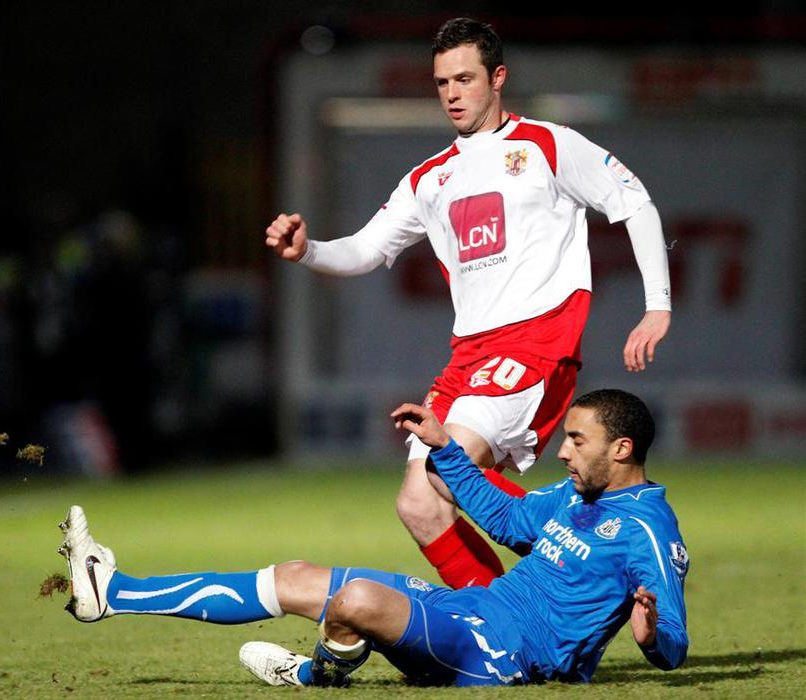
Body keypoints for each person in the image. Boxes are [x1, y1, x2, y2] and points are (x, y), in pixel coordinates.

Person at [265, 18, 673, 591]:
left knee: (446, 467)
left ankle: (594, 543)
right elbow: (363, 249)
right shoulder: (429, 178)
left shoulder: (547, 145)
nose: (452, 94)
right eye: (442, 83)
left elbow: (634, 202)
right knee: (418, 504)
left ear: (497, 77)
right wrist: (308, 250)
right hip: (468, 357)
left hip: (534, 344)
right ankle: (493, 621)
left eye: (465, 79)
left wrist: (657, 305)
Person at [58, 389, 688, 687]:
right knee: (296, 576)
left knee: (356, 600)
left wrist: (651, 638)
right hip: (470, 610)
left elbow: (675, 645)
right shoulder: (575, 496)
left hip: (502, 654)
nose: (564, 451)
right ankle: (113, 593)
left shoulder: (647, 531)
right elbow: (504, 518)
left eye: (577, 440)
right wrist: (444, 447)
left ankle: (315, 674)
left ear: (621, 448)